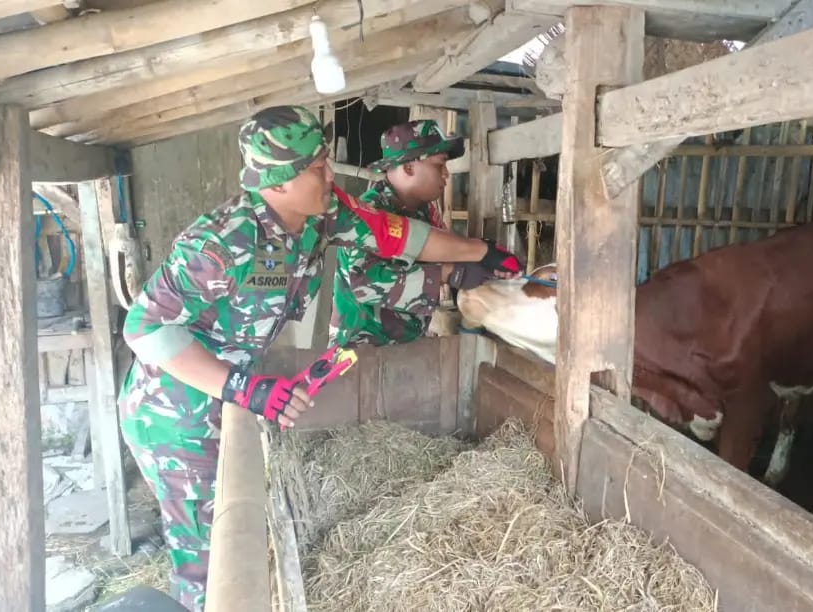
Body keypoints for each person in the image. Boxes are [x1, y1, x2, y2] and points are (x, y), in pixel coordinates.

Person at [116, 105, 523, 612]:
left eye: (325, 162)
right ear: (280, 182)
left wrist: (477, 252)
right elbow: (144, 326)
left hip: (232, 394)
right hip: (176, 413)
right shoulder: (221, 241)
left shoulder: (322, 214)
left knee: (247, 527)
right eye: (315, 169)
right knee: (210, 561)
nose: (329, 176)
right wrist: (241, 388)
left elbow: (396, 234)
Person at [329, 119, 493, 348]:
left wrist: (483, 261)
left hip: (405, 348)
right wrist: (449, 273)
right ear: (408, 167)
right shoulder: (368, 213)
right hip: (362, 351)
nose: (446, 175)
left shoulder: (423, 210)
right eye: (439, 165)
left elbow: (439, 254)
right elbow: (365, 283)